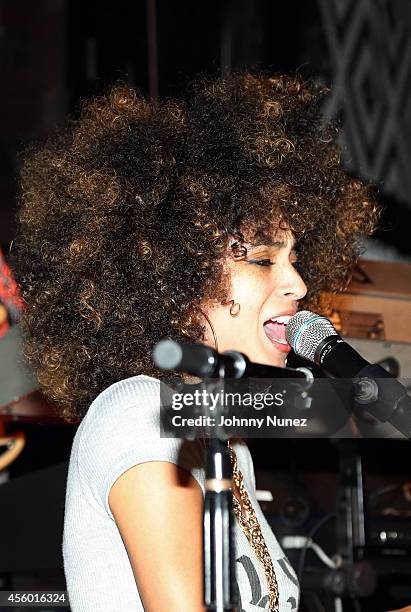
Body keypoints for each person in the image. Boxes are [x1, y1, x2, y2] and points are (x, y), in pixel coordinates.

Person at [12, 73, 379, 611]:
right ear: (175, 276)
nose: (299, 285)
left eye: (295, 259)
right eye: (261, 259)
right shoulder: (140, 412)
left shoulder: (227, 443)